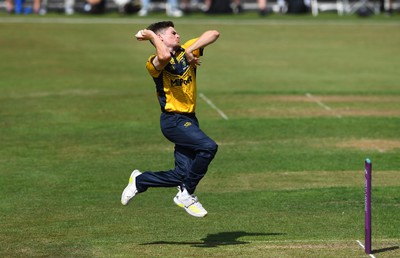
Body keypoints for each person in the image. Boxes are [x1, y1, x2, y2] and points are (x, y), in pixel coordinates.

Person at [121, 21, 220, 218]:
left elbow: (214, 33)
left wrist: (190, 50)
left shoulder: (186, 49)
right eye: (173, 33)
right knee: (209, 147)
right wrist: (150, 35)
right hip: (173, 121)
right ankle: (186, 193)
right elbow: (164, 56)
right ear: (161, 38)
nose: (178, 35)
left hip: (190, 120)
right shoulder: (154, 63)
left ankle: (141, 180)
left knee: (182, 174)